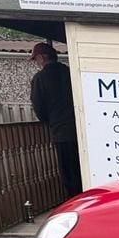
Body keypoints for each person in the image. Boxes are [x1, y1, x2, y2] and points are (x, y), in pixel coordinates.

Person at [29, 42, 82, 198]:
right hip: (80, 128)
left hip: (60, 131)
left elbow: (39, 107)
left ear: (43, 58)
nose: (37, 63)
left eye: (37, 59)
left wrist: (49, 122)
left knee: (68, 172)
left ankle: (74, 201)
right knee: (81, 168)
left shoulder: (39, 79)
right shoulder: (69, 72)